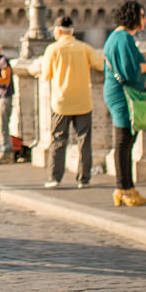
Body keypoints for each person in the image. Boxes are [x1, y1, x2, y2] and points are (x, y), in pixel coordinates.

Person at [102, 0, 146, 207]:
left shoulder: (117, 37)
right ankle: (123, 189)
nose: (145, 20)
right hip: (122, 94)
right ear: (133, 17)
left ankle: (126, 188)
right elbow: (129, 71)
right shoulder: (123, 38)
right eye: (142, 15)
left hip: (118, 92)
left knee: (126, 142)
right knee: (124, 142)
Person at [40, 16, 102, 189]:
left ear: (58, 31)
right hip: (83, 100)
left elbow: (46, 74)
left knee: (58, 140)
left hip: (61, 102)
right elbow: (100, 65)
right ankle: (84, 178)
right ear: (72, 31)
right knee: (84, 141)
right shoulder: (84, 48)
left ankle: (55, 178)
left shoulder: (53, 49)